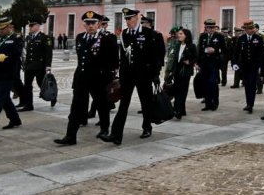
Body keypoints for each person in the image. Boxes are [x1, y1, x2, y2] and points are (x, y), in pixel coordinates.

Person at [54, 11, 119, 145]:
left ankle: (104, 129)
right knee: (76, 107)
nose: (90, 26)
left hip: (99, 79)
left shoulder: (107, 37)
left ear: (99, 24)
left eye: (93, 23)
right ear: (84, 24)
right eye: (88, 23)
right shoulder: (80, 37)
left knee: (102, 105)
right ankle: (70, 136)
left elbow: (114, 60)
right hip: (82, 78)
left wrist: (109, 76)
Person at [100, 8, 163, 145]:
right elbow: (123, 57)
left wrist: (155, 74)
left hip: (144, 75)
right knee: (123, 105)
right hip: (128, 76)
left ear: (137, 18)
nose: (128, 22)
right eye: (126, 19)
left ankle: (147, 127)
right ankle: (116, 135)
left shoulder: (149, 34)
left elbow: (156, 57)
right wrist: (121, 76)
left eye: (130, 18)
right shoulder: (124, 34)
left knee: (145, 102)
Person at [17, 16, 54, 112]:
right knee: (27, 85)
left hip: (39, 66)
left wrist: (48, 66)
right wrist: (25, 64)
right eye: (29, 26)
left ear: (37, 26)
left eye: (32, 25)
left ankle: (52, 96)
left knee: (41, 84)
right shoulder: (29, 37)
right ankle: (29, 105)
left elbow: (48, 53)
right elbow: (29, 52)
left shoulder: (45, 38)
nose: (30, 27)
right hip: (29, 66)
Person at [233, 20, 264, 114]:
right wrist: (234, 63)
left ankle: (251, 104)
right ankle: (248, 103)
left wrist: (260, 66)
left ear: (253, 29)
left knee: (252, 84)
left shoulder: (258, 38)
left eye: (250, 29)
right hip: (244, 66)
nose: (249, 31)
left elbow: (261, 54)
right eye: (247, 29)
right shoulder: (241, 38)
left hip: (254, 66)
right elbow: (236, 52)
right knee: (247, 85)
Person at [165, 28, 196, 119]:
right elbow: (174, 59)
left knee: (182, 91)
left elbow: (195, 57)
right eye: (179, 34)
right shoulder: (177, 45)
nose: (179, 35)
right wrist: (170, 71)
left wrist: (189, 62)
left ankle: (177, 110)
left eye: (181, 34)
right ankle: (182, 110)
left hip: (185, 72)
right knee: (177, 90)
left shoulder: (191, 46)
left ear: (186, 35)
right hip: (177, 71)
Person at [198, 19, 226, 111]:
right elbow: (199, 50)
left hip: (214, 63)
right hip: (204, 64)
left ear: (214, 27)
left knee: (212, 83)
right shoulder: (203, 36)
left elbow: (224, 50)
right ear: (205, 27)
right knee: (205, 83)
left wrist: (215, 50)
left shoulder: (219, 36)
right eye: (208, 27)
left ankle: (215, 102)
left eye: (212, 27)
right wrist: (198, 63)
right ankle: (207, 103)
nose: (210, 29)